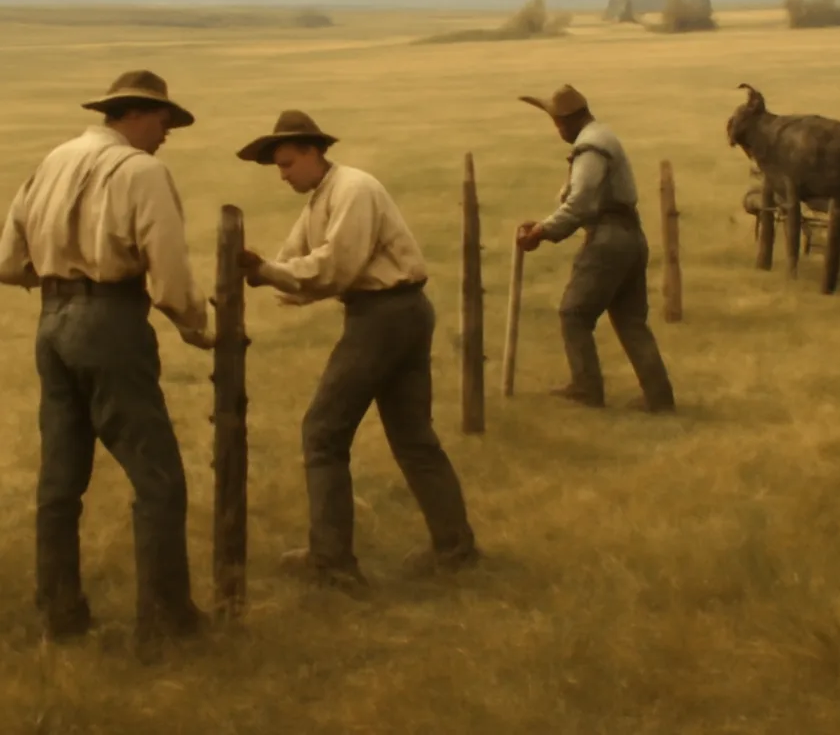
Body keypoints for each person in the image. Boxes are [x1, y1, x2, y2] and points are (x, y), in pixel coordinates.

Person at [0, 69, 215, 651]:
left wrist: (57, 279)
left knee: (60, 479)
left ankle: (61, 616)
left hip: (51, 323)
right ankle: (165, 623)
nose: (167, 132)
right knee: (159, 477)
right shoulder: (143, 173)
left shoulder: (53, 160)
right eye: (164, 120)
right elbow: (167, 269)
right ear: (137, 113)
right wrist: (199, 327)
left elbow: (7, 259)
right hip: (111, 322)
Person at [235, 110, 478, 594]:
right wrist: (262, 271)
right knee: (413, 436)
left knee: (322, 433)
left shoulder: (353, 190)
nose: (282, 176)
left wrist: (265, 272)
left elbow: (334, 269)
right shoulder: (321, 199)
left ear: (311, 151)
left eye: (286, 164)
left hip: (385, 317)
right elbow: (292, 266)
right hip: (396, 313)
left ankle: (333, 562)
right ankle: (455, 546)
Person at [517, 84, 676, 413]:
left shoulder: (590, 146)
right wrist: (544, 224)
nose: (557, 129)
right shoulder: (602, 135)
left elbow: (581, 202)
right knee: (631, 321)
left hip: (609, 240)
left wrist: (543, 231)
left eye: (557, 122)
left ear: (567, 120)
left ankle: (586, 388)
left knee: (574, 313)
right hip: (630, 236)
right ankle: (659, 398)